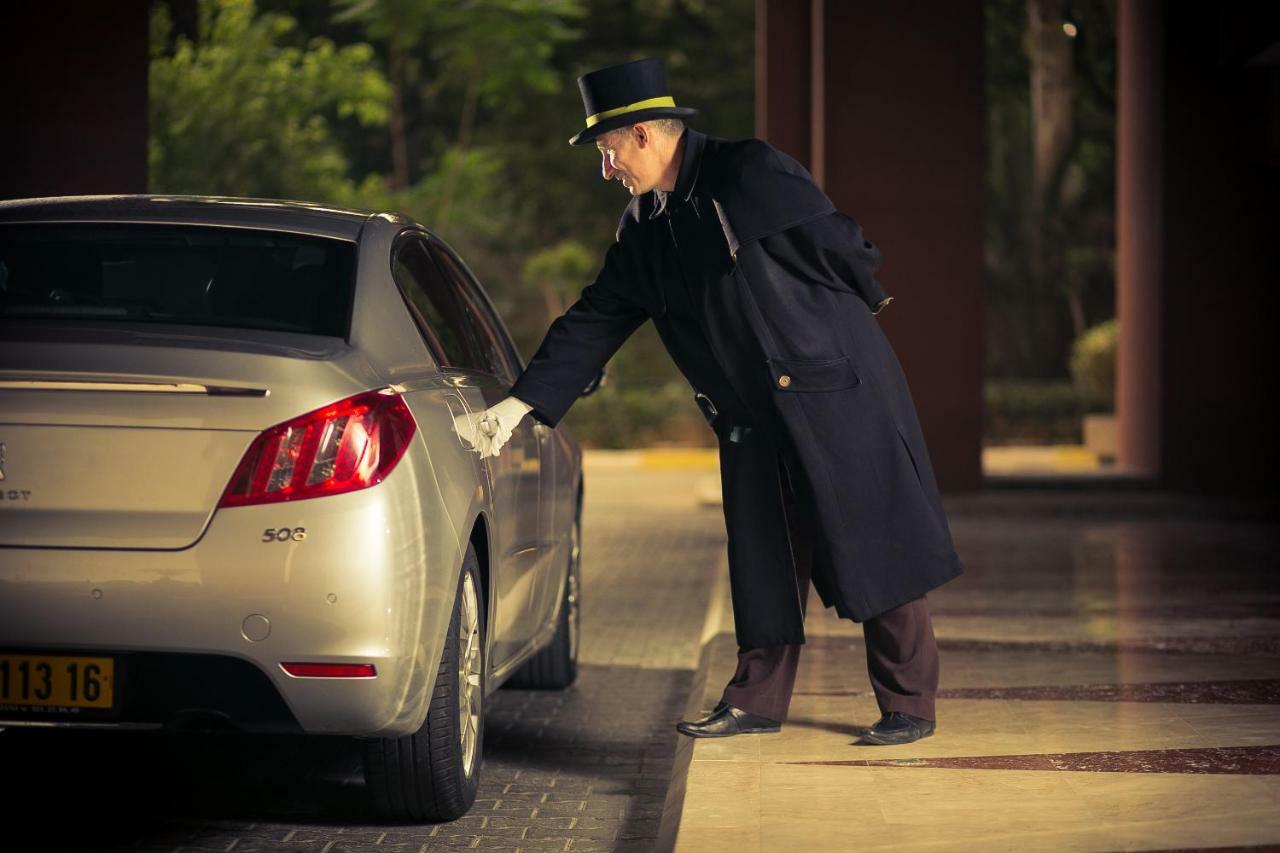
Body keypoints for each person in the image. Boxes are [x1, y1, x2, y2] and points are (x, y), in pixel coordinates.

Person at [474, 57, 964, 745]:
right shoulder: (644, 225)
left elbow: (836, 244)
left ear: (643, 134)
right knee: (762, 556)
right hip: (750, 416)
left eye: (609, 150)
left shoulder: (749, 172)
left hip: (832, 396)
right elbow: (598, 315)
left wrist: (854, 313)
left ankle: (910, 701)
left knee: (872, 543)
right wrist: (521, 403)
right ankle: (756, 700)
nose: (606, 167)